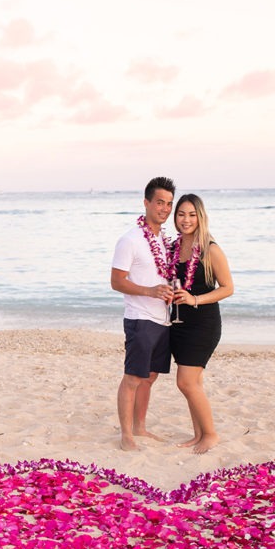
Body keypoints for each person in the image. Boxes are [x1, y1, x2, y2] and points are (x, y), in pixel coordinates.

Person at [110, 176, 177, 451]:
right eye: (159, 202)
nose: (164, 208)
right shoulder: (130, 239)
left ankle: (140, 427)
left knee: (150, 376)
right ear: (146, 202)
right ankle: (126, 435)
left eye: (169, 204)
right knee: (133, 377)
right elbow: (117, 281)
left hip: (163, 319)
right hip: (140, 318)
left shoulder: (164, 239)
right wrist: (150, 291)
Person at [168, 193, 234, 453]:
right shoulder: (173, 248)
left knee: (185, 382)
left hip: (202, 324)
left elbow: (228, 288)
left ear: (201, 217)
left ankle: (211, 434)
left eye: (192, 214)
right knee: (194, 383)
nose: (186, 220)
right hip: (178, 323)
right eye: (181, 214)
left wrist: (194, 299)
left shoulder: (211, 249)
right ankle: (198, 434)